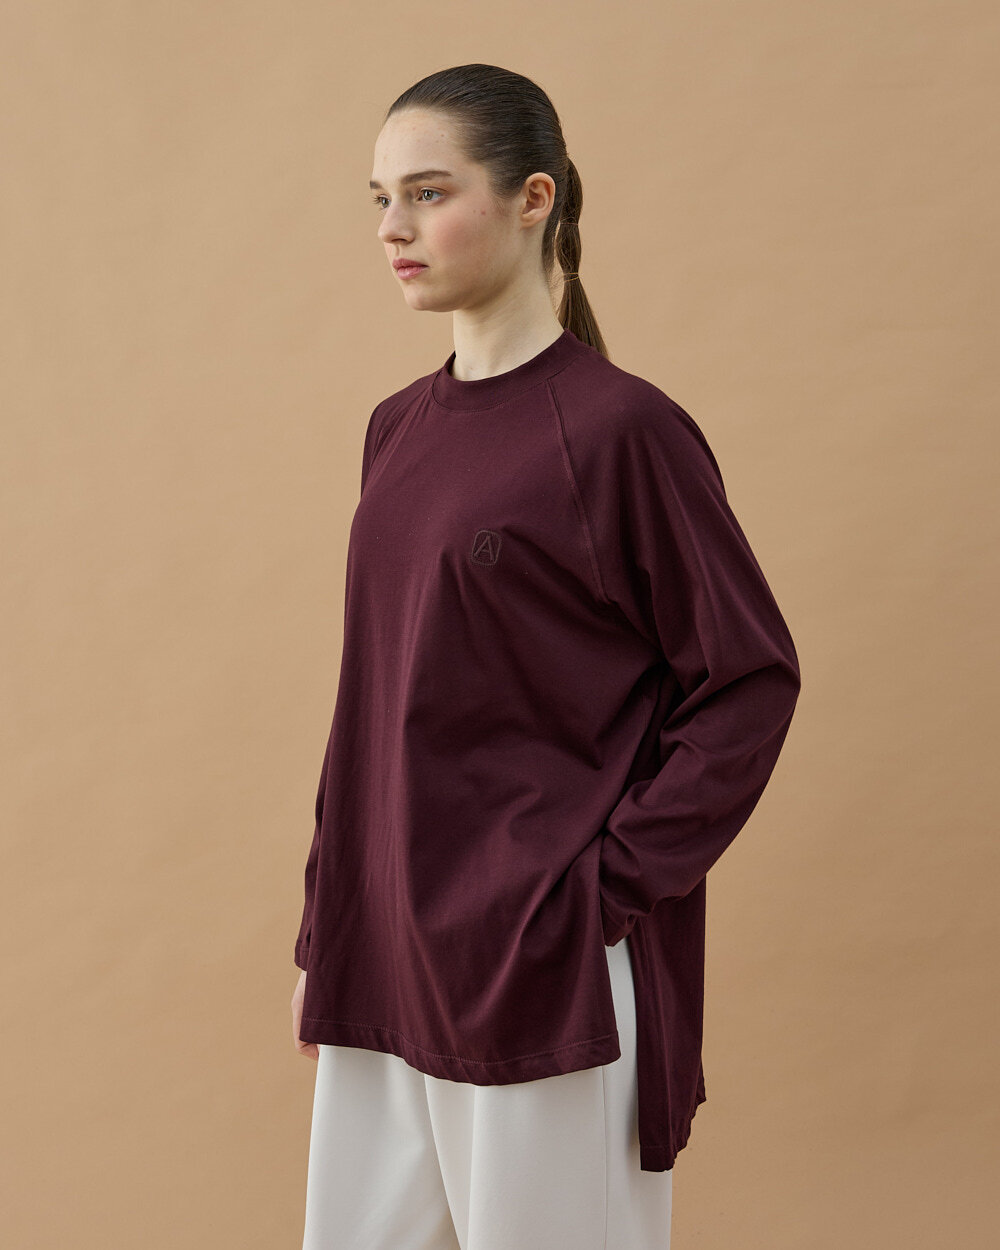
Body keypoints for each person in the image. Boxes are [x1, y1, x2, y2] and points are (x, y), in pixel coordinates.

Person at [290, 63, 801, 1250]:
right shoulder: (397, 428)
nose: (392, 228)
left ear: (534, 198)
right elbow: (375, 698)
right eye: (379, 199)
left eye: (427, 193)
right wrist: (326, 927)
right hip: (386, 955)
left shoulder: (621, 431)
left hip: (540, 965)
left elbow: (747, 680)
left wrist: (597, 891)